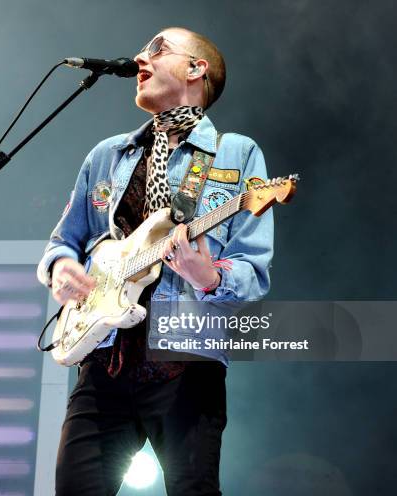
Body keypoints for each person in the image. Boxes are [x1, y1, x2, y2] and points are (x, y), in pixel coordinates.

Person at [37, 27, 273, 496]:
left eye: (157, 49)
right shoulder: (107, 155)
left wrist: (209, 276)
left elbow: (253, 271)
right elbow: (64, 242)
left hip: (186, 360)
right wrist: (61, 268)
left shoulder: (237, 153)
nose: (140, 58)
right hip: (103, 358)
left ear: (195, 68)